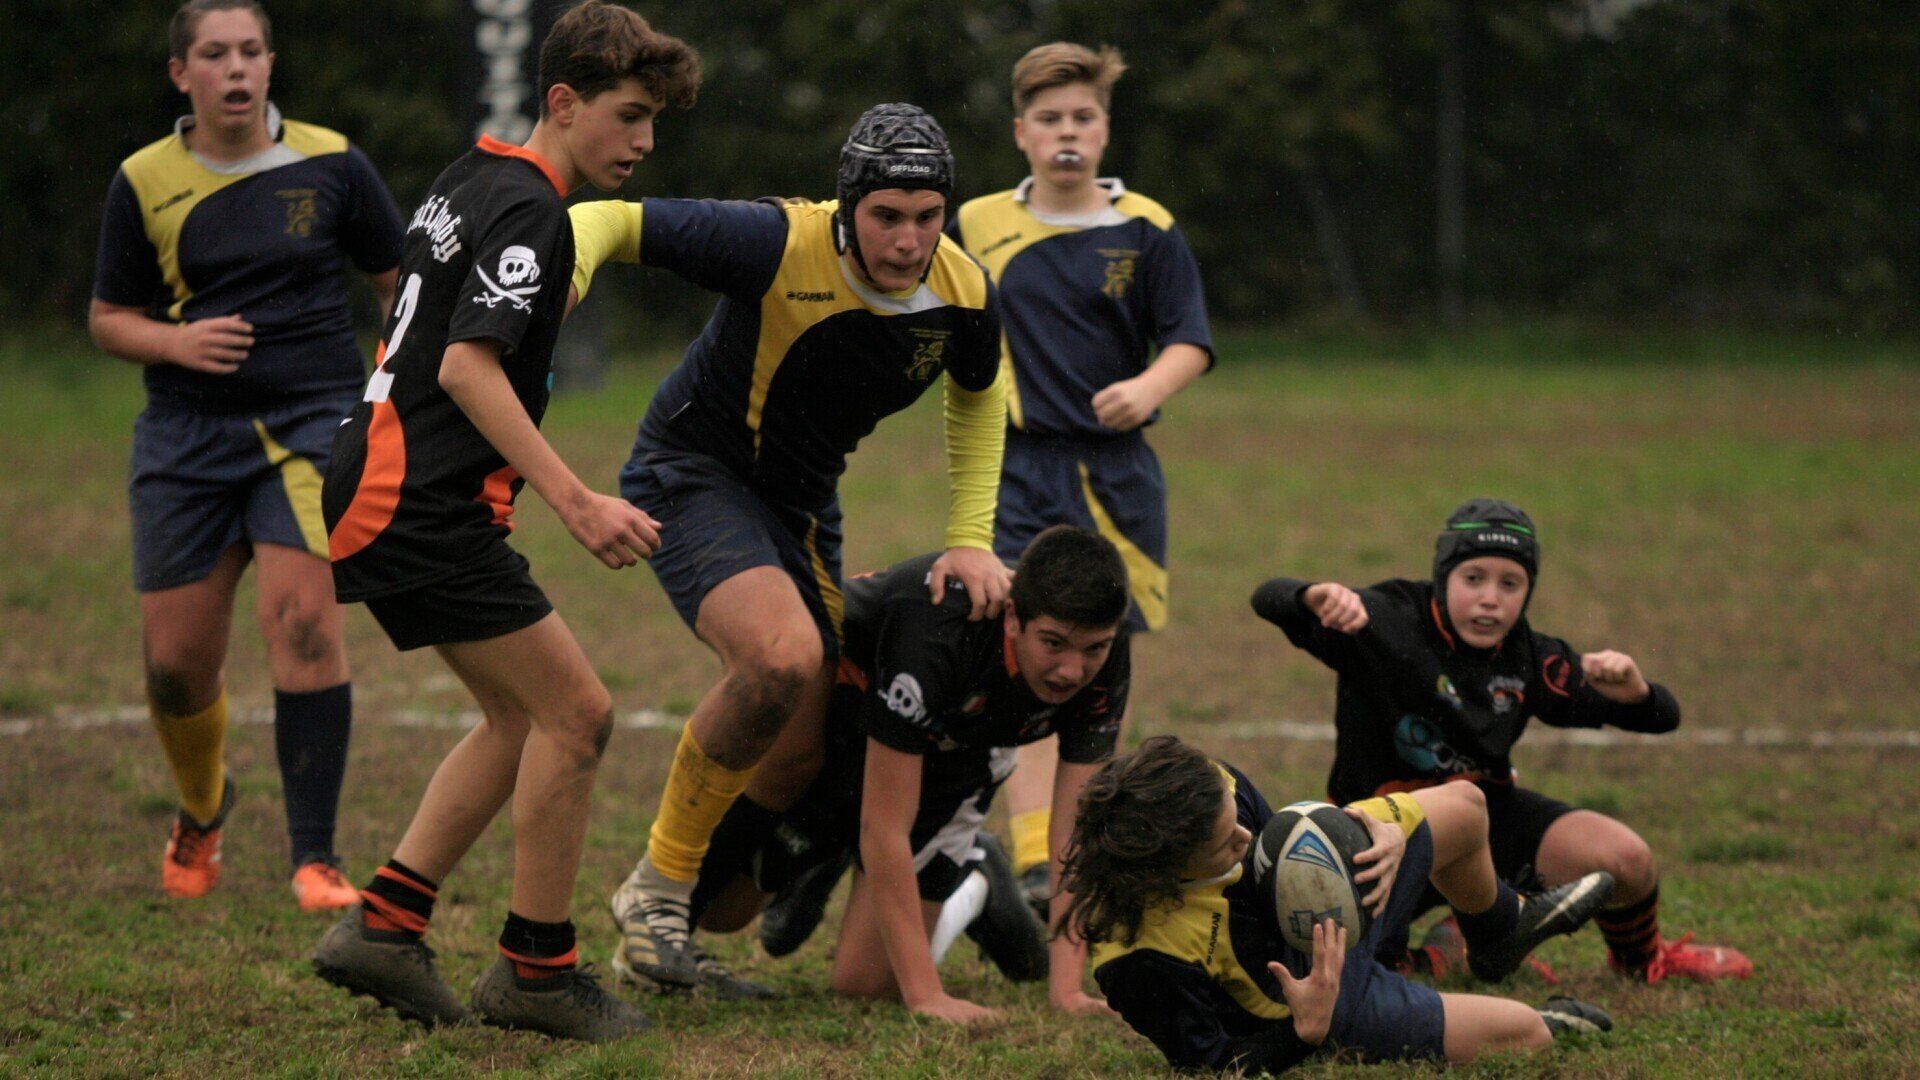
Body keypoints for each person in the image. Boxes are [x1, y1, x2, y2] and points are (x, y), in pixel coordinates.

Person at [308, 2, 700, 1041]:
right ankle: (536, 970)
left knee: (520, 716)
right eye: (628, 116)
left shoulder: (471, 175)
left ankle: (383, 928)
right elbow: (464, 364)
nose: (644, 142)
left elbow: (438, 309)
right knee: (579, 715)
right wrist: (577, 501)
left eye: (654, 121)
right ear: (563, 102)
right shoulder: (533, 211)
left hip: (379, 480)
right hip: (417, 498)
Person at [566, 103, 1011, 994]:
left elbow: (980, 393)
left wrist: (970, 538)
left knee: (801, 748)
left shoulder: (962, 293)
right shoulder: (773, 242)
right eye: (888, 215)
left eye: (929, 217)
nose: (908, 239)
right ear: (848, 208)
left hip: (802, 509)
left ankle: (685, 923)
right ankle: (656, 889)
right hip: (692, 472)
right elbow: (607, 219)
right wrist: (560, 278)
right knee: (780, 657)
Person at [88, 0, 405, 910]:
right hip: (186, 438)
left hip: (311, 421)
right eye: (217, 54)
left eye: (252, 51)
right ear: (181, 74)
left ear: (271, 64)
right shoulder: (141, 180)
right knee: (176, 666)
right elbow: (108, 319)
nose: (238, 68)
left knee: (304, 623)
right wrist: (175, 343)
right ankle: (202, 806)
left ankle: (316, 858)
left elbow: (399, 285)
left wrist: (393, 388)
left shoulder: (333, 160)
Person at [1252, 497, 1753, 985]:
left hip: (1485, 824)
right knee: (1370, 972)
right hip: (1382, 837)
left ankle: (1639, 961)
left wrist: (1637, 692)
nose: (1490, 598)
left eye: (1510, 583)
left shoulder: (1529, 659)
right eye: (1473, 579)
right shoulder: (1384, 619)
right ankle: (1455, 945)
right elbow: (1267, 598)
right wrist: (1310, 597)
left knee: (1627, 859)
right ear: (1443, 576)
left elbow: (1662, 718)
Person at [666, 526, 1132, 1023]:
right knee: (721, 913)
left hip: (957, 760)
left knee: (864, 985)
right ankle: (828, 857)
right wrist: (927, 998)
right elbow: (884, 826)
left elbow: (1074, 835)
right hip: (840, 732)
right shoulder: (940, 624)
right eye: (1054, 643)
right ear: (1013, 616)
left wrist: (1067, 991)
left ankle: (974, 879)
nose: (1071, 670)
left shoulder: (1105, 654)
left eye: (1093, 650)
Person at [949, 43, 1214, 907]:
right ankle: (1032, 857)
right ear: (1022, 133)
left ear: (1104, 130)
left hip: (1116, 478)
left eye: (1084, 118)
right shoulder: (978, 223)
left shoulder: (1148, 228)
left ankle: (1076, 851)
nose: (1068, 133)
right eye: (1051, 119)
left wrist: (1148, 386)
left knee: (1099, 662)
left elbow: (1191, 339)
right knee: (1025, 649)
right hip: (1016, 467)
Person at [1064, 735, 1616, 1073]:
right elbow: (1213, 1067)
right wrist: (1304, 1030)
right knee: (1528, 1035)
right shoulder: (1137, 957)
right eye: (1223, 844)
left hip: (1335, 900)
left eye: (1234, 817)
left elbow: (1282, 844)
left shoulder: (1210, 784)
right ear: (1164, 872)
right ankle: (1528, 1008)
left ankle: (1497, 934)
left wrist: (1375, 839)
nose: (1244, 836)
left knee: (1467, 807)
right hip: (1323, 1000)